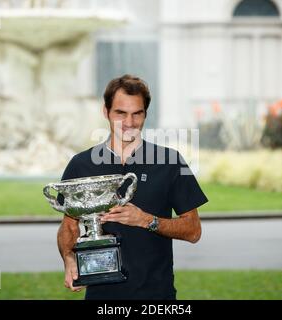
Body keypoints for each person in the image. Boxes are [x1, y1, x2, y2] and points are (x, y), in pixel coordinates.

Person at [57, 74, 208, 300]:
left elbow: (194, 230)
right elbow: (69, 227)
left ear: (145, 114)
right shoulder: (81, 165)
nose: (129, 123)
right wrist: (69, 258)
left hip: (156, 296)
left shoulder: (171, 161)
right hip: (101, 298)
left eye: (137, 113)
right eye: (120, 113)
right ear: (105, 111)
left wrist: (146, 220)